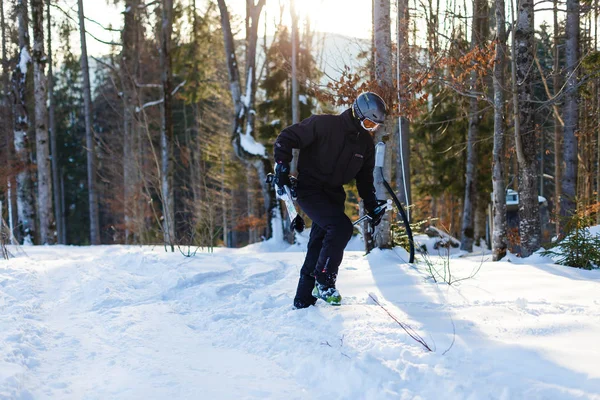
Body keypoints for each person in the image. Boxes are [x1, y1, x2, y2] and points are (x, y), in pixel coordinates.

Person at [273, 92, 388, 308]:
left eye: (375, 126)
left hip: (333, 196)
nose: (371, 129)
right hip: (310, 189)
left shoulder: (365, 146)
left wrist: (372, 206)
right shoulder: (324, 125)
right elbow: (286, 137)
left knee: (319, 243)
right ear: (357, 113)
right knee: (341, 227)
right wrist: (281, 164)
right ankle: (324, 282)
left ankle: (303, 301)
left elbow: (364, 181)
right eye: (369, 122)